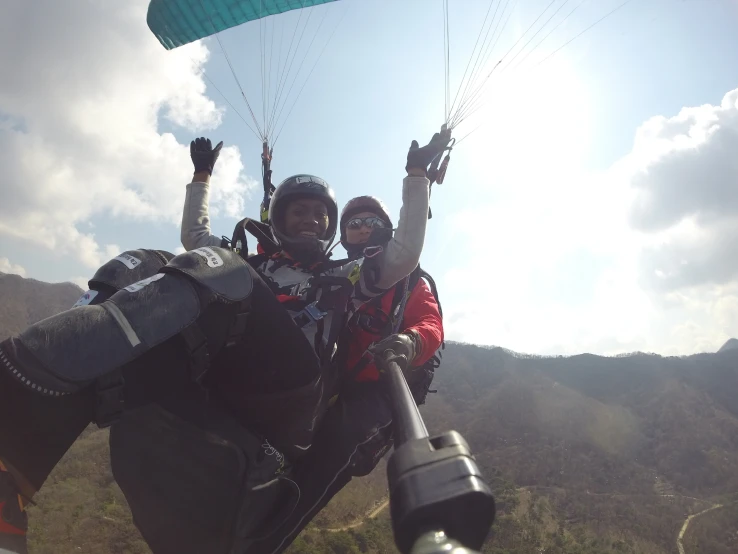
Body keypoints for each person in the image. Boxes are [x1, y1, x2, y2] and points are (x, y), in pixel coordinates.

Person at [0, 130, 451, 554]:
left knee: (220, 266)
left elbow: (404, 255)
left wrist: (415, 180)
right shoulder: (259, 264)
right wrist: (200, 178)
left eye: (320, 215)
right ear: (279, 220)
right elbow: (194, 241)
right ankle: (14, 468)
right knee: (142, 263)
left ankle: (16, 377)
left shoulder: (345, 276)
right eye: (299, 212)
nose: (311, 220)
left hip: (293, 393)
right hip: (231, 374)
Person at [242, 195, 444, 553]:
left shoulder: (411, 280)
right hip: (332, 375)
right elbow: (283, 269)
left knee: (338, 444)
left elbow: (430, 323)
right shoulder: (340, 271)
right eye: (354, 223)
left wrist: (410, 342)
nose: (363, 228)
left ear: (387, 231)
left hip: (379, 391)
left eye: (372, 222)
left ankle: (262, 544)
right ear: (343, 234)